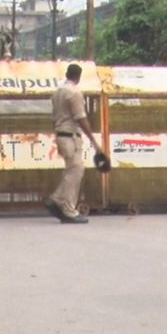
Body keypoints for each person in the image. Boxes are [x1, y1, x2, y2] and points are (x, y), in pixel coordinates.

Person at [43, 64, 105, 224]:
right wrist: (93, 140)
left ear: (66, 74)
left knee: (72, 169)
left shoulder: (57, 93)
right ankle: (68, 209)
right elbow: (80, 117)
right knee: (76, 170)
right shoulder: (74, 93)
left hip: (61, 134)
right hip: (70, 136)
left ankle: (57, 199)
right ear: (78, 77)